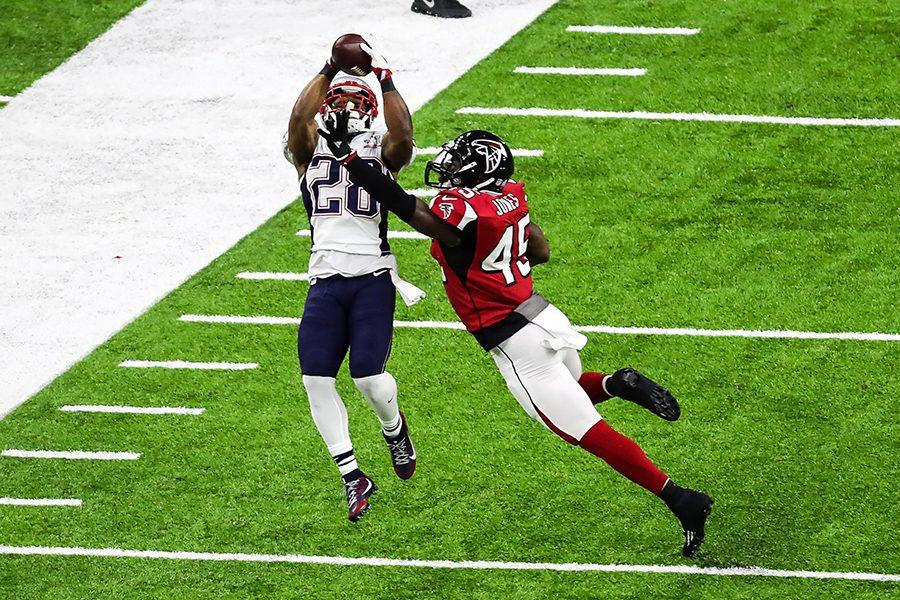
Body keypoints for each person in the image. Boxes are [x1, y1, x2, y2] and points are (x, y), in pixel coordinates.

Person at [317, 117, 714, 556]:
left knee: (585, 431)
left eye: (458, 164)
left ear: (479, 171)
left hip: (515, 338)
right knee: (570, 391)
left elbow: (405, 206)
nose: (449, 170)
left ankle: (680, 499)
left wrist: (350, 158)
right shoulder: (509, 197)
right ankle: (615, 384)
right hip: (545, 318)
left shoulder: (462, 212)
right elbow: (540, 250)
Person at [284, 43, 418, 522]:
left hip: (372, 277)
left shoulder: (380, 150)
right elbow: (298, 120)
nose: (345, 104)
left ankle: (393, 426)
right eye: (336, 97)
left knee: (367, 376)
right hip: (324, 279)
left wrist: (383, 76)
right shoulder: (307, 151)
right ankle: (352, 474)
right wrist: (328, 66)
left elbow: (403, 135)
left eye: (354, 97)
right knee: (315, 377)